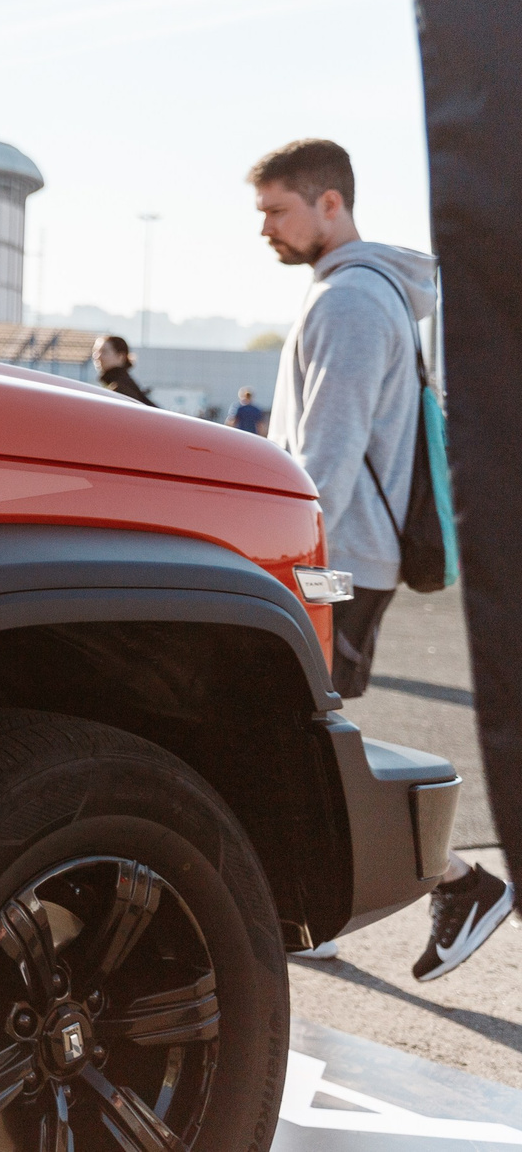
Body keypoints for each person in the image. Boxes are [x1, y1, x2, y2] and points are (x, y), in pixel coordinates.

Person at [250, 137, 509, 980]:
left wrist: (276, 552)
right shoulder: (364, 294)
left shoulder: (354, 302)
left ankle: (459, 878)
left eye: (277, 210)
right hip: (347, 552)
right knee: (307, 731)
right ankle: (313, 902)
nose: (266, 230)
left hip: (337, 557)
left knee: (316, 736)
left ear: (332, 204)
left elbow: (325, 451)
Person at [93, 336, 156, 405]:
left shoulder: (120, 389)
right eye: (95, 351)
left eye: (104, 352)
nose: (97, 356)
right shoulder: (123, 383)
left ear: (120, 357)